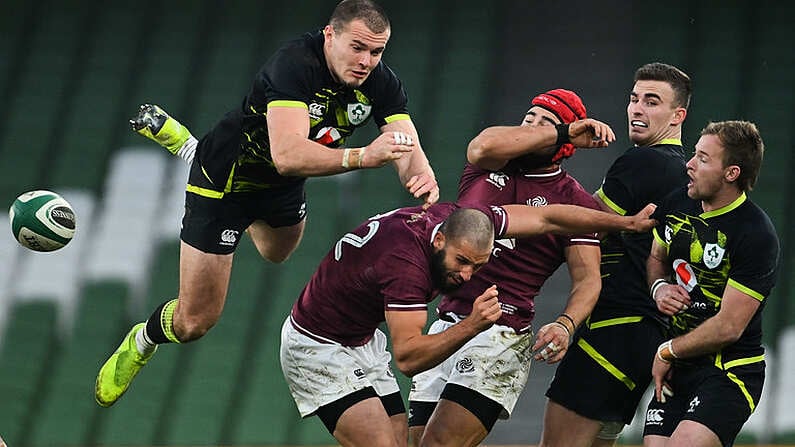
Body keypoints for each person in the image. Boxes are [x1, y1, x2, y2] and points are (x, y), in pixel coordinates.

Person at [95, 0, 439, 407]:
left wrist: (420, 174)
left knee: (278, 253)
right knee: (195, 322)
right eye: (357, 47)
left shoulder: (381, 81)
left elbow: (404, 140)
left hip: (282, 185)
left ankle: (192, 148)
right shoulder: (294, 65)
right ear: (330, 36)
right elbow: (289, 155)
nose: (367, 61)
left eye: (377, 52)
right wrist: (363, 156)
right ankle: (143, 338)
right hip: (226, 182)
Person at [280, 200, 657, 447]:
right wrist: (473, 324)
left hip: (361, 340)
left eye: (478, 266)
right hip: (316, 348)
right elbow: (409, 358)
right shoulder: (406, 267)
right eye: (461, 261)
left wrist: (624, 222)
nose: (465, 274)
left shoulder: (464, 221)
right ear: (439, 239)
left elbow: (548, 217)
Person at [407, 89, 615, 447]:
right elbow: (481, 145)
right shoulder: (487, 165)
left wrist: (566, 325)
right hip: (446, 323)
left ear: (566, 142)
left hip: (500, 331)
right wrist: (560, 130)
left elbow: (588, 280)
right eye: (528, 120)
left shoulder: (574, 201)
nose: (532, 127)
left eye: (546, 123)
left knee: (437, 444)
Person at [541, 62, 693, 446]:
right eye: (633, 99)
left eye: (652, 102)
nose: (637, 109)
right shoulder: (681, 171)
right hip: (643, 338)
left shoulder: (644, 161)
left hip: (612, 328)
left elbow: (584, 221)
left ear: (679, 116)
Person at [643, 120, 779, 447]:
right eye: (694, 154)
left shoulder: (755, 234)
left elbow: (729, 327)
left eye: (703, 159)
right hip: (679, 366)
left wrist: (667, 350)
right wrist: (659, 287)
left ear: (731, 173)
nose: (689, 164)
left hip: (730, 370)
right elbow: (656, 259)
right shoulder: (677, 203)